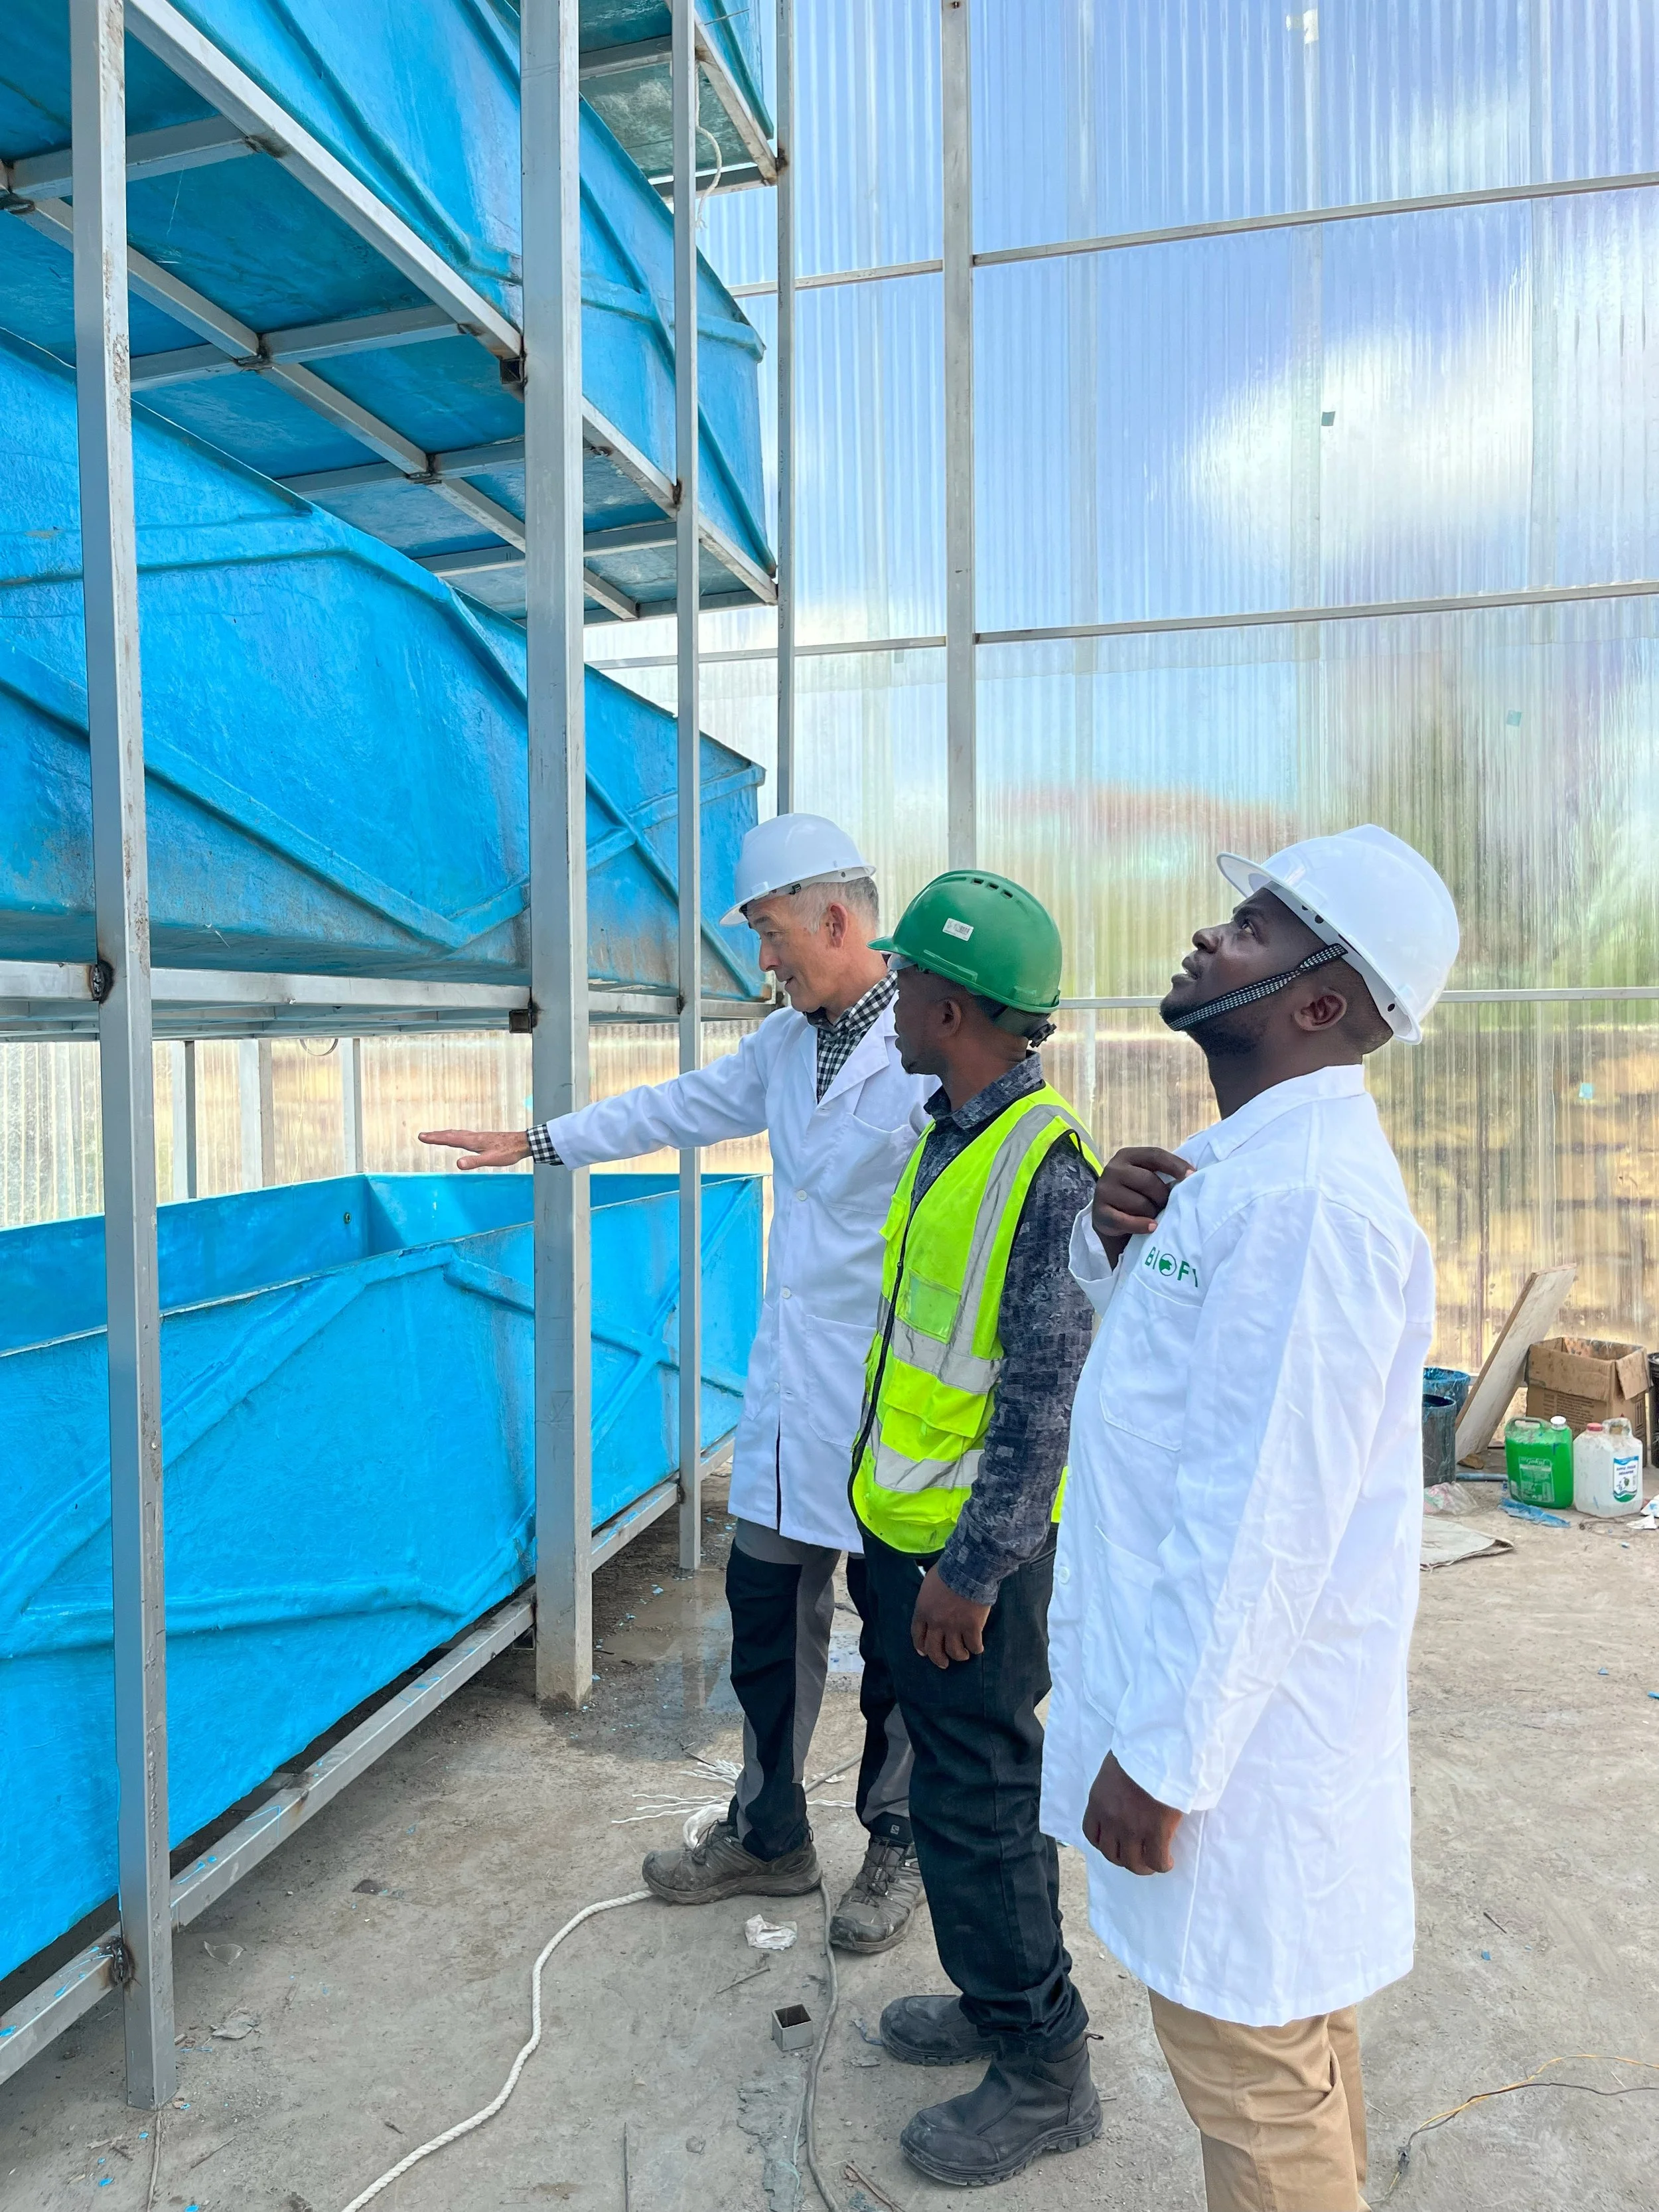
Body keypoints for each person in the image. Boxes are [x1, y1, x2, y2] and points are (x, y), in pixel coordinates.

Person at [419, 814, 936, 1953]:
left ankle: (901, 1843)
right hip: (796, 1393)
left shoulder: (932, 1041)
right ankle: (770, 1832)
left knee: (897, 1638)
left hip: (899, 1401)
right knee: (765, 1617)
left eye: (769, 935)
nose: (764, 960)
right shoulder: (789, 1047)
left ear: (835, 920)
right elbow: (679, 1106)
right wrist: (538, 1141)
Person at [1043, 825, 1460, 2212]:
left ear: (1318, 1002)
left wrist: (1158, 1758)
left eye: (1259, 926)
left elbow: (1261, 1516)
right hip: (1224, 1725)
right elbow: (1171, 1400)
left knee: (1253, 2081)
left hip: (1231, 1755)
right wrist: (1112, 1251)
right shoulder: (1239, 1170)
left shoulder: (1304, 1204)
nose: (1213, 934)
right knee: (1291, 2049)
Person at [848, 869, 1106, 2189]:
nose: (889, 1002)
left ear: (948, 1003)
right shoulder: (947, 1129)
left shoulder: (1046, 1166)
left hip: (969, 1570)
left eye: (904, 984)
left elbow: (1040, 1394)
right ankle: (990, 1998)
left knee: (984, 1805)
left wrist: (970, 1568)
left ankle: (1043, 2062)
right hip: (908, 1540)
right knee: (950, 1804)